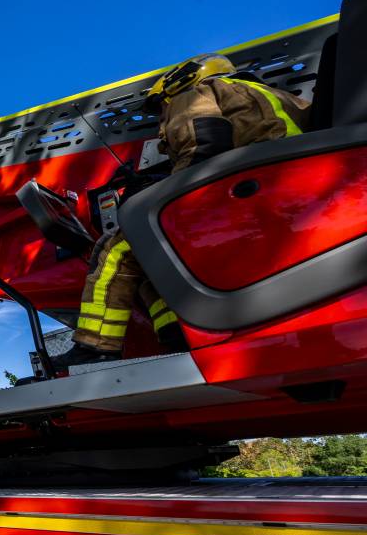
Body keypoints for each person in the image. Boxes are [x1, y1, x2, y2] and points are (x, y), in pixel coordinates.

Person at [56, 53, 311, 369]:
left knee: (116, 250)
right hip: (285, 199)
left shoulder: (197, 93)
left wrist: (156, 198)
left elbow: (202, 147)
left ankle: (94, 348)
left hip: (242, 201)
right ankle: (177, 335)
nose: (164, 113)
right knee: (151, 255)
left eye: (162, 106)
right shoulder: (281, 97)